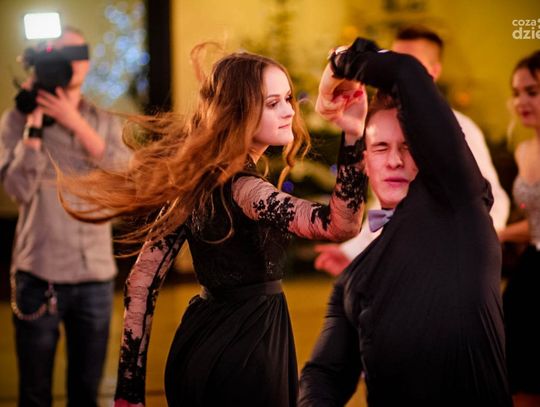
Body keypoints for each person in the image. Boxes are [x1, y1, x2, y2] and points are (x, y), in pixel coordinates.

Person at [58, 44, 368, 406]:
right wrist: (353, 133)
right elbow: (339, 225)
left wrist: (129, 391)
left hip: (198, 343)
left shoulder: (194, 183)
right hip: (247, 354)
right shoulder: (246, 189)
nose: (288, 111)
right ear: (238, 112)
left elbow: (140, 282)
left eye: (287, 99)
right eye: (272, 103)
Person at [298, 38, 511, 406]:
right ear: (365, 161)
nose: (394, 160)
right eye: (381, 148)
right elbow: (323, 374)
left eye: (408, 147)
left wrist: (336, 67)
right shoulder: (352, 279)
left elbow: (406, 71)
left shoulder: (462, 207)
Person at [314, 26, 510, 276]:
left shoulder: (460, 130)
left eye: (408, 65)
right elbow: (383, 204)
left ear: (434, 71)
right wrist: (352, 251)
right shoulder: (379, 124)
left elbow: (492, 201)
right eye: (391, 60)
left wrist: (474, 247)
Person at [0, 27, 129, 406]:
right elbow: (17, 190)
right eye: (57, 55)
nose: (67, 63)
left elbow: (126, 176)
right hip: (39, 274)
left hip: (95, 277)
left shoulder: (103, 121)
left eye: (75, 54)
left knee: (86, 390)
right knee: (34, 392)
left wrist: (75, 123)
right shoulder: (16, 119)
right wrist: (34, 128)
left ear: (86, 64)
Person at [497, 50, 540, 407]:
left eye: (532, 92)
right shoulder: (523, 149)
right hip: (532, 268)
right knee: (520, 378)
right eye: (516, 93)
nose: (521, 101)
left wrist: (499, 233)